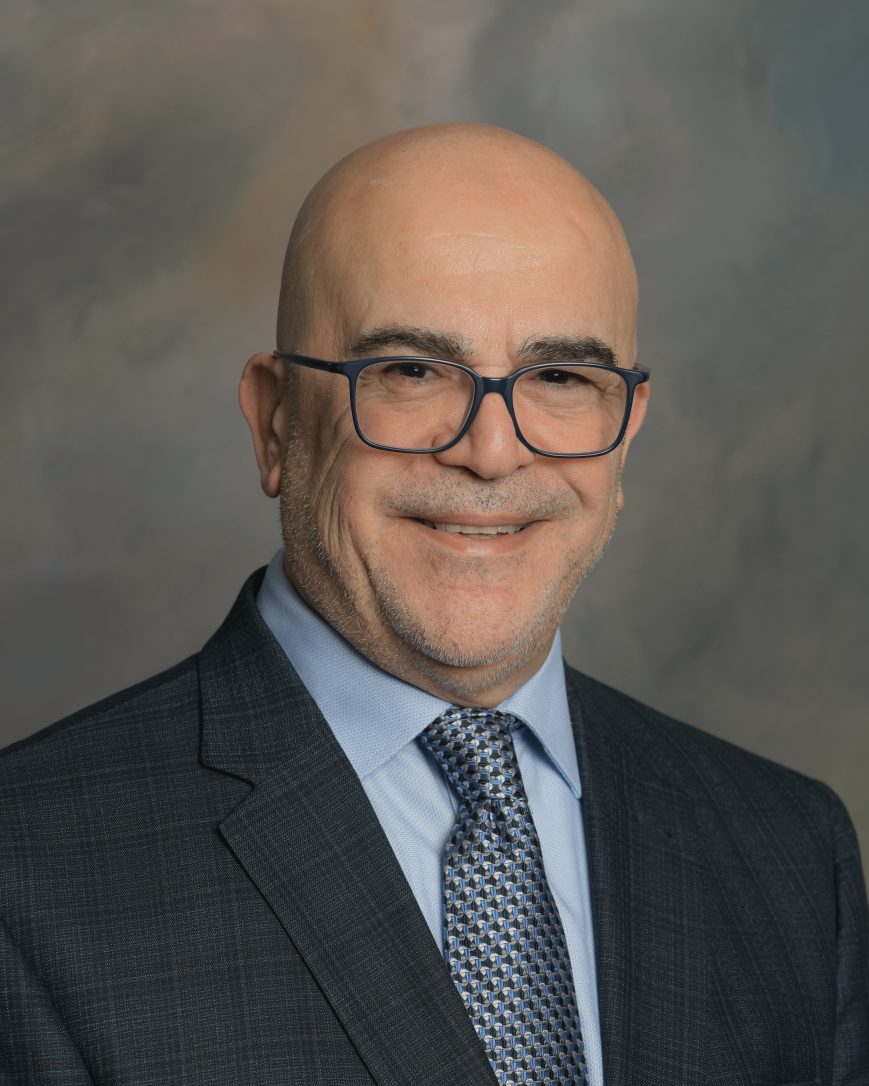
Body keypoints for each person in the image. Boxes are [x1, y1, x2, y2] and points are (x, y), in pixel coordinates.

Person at [1, 123, 866, 1085]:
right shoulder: (28, 871)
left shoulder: (791, 853)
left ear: (625, 432)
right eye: (410, 370)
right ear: (276, 422)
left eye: (559, 378)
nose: (491, 451)